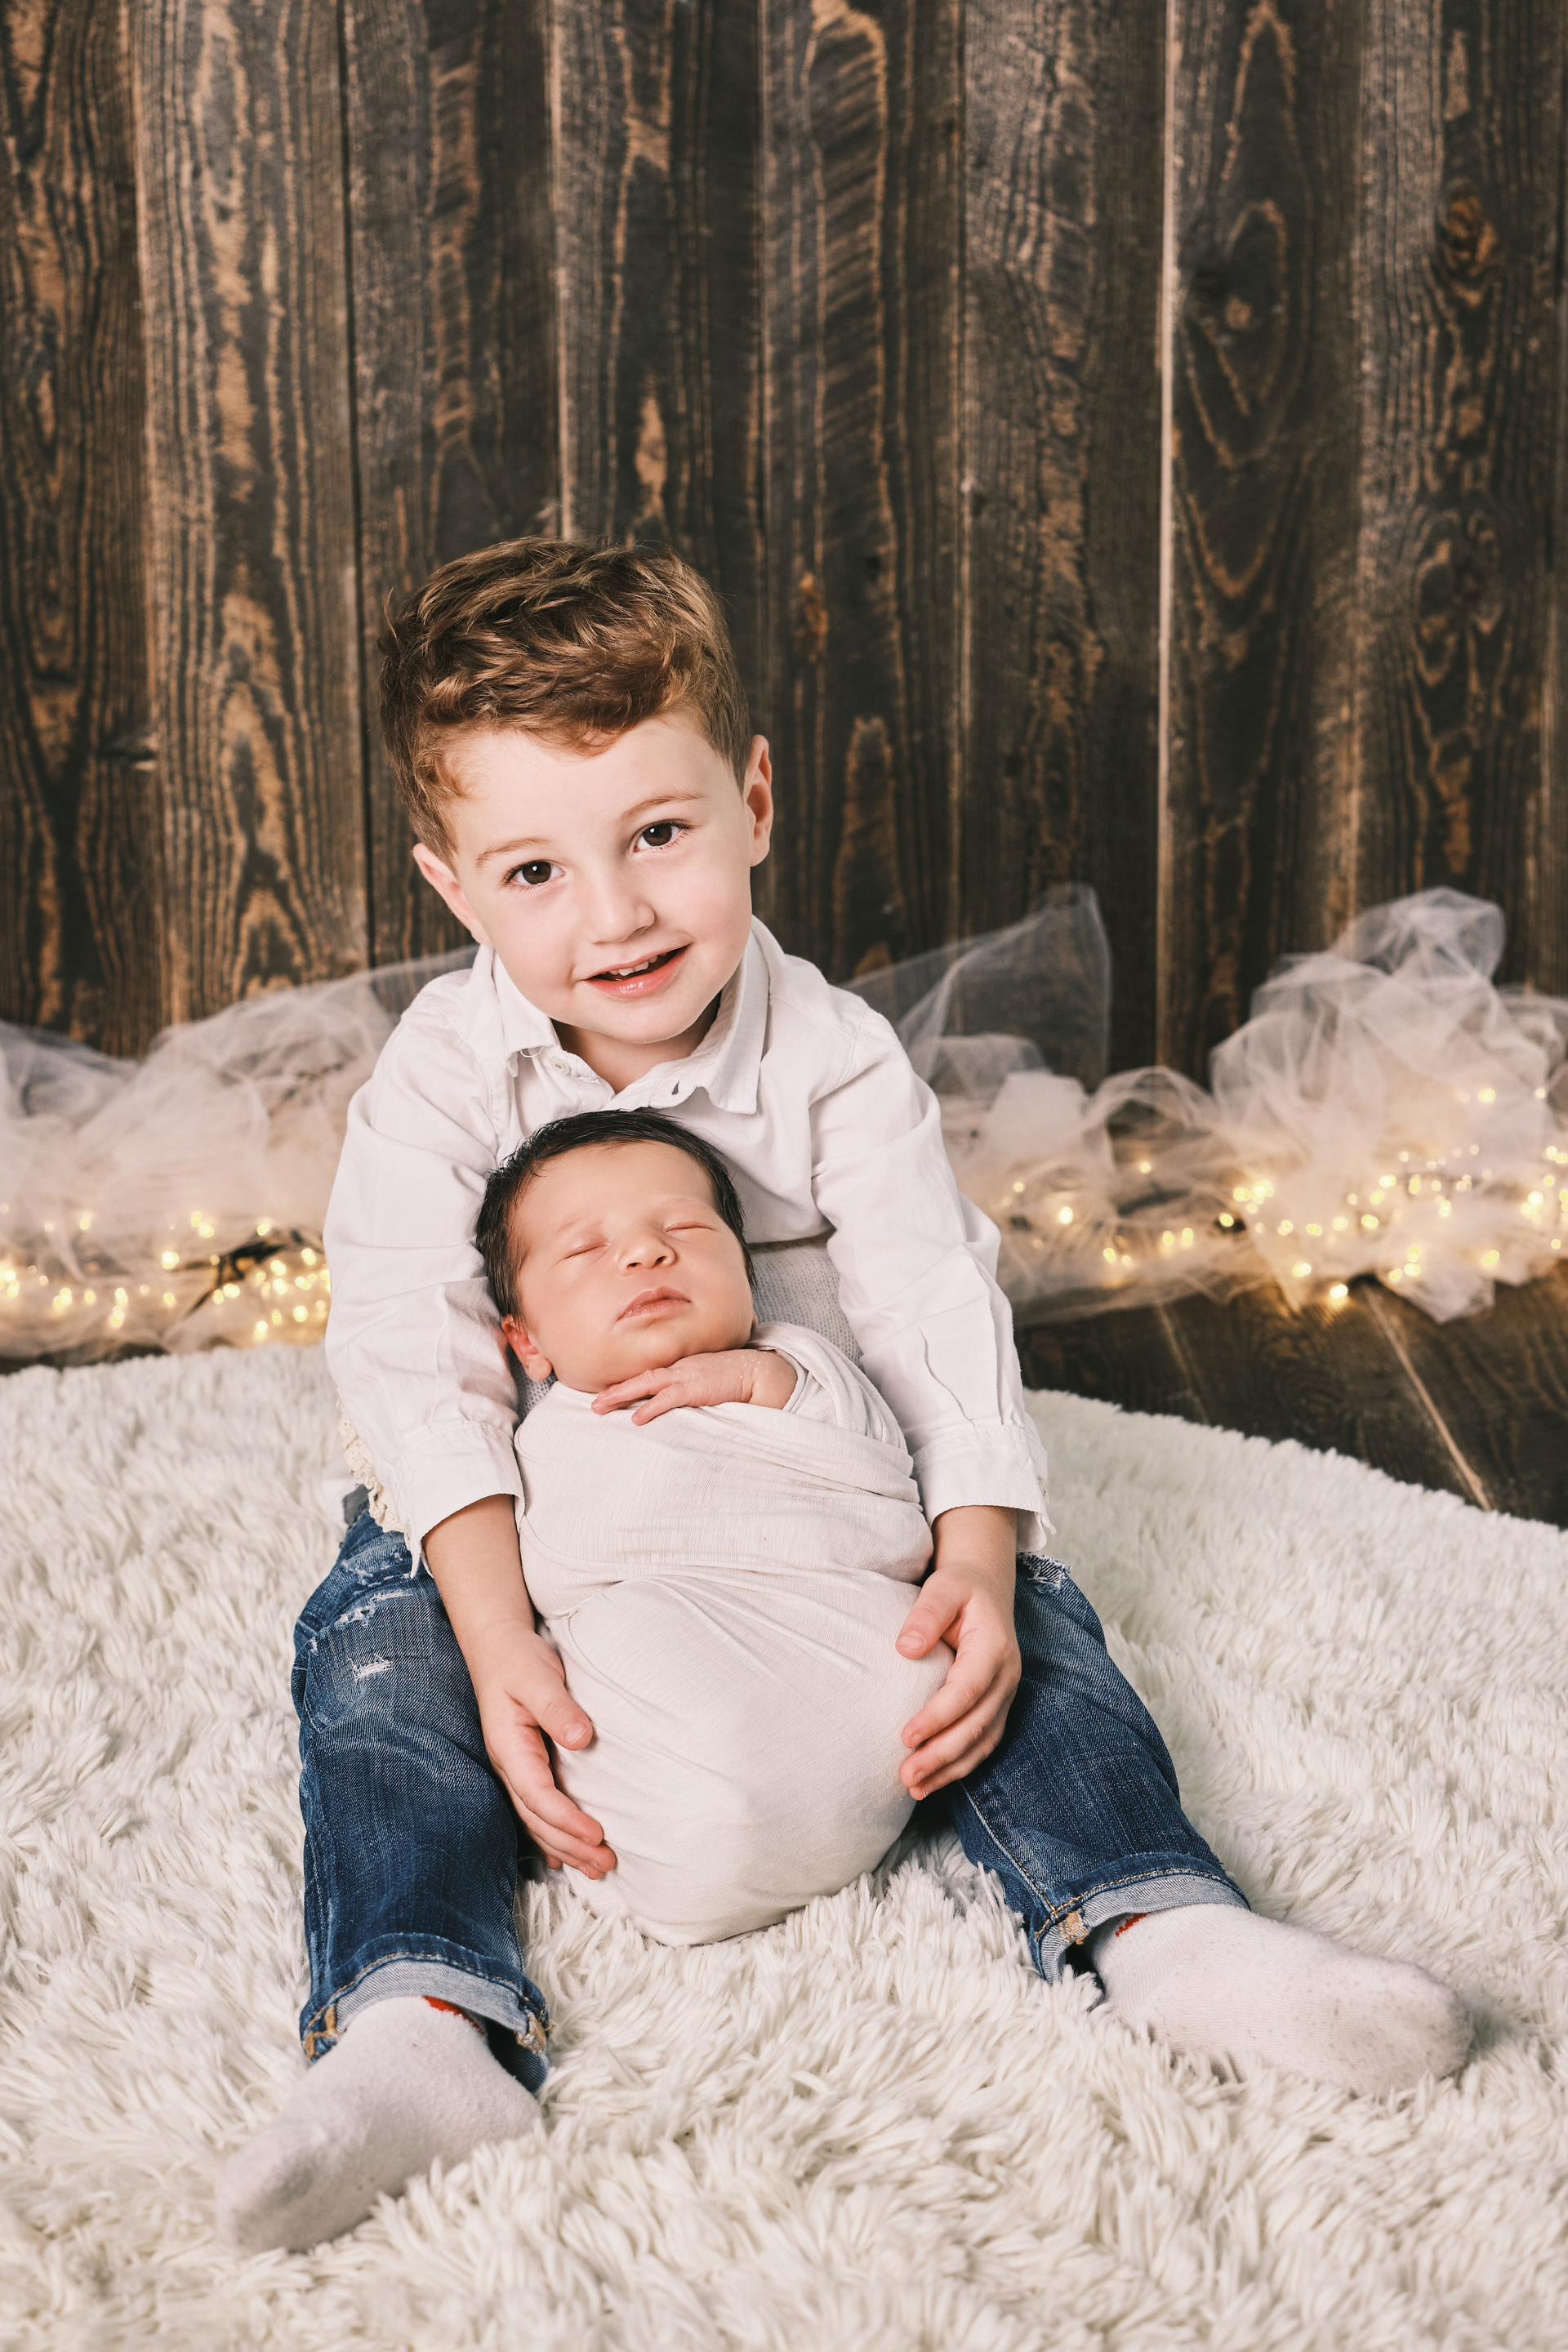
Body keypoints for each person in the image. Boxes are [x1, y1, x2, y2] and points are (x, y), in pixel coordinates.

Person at [217, 539, 1469, 2255]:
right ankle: (419, 2018)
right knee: (378, 1656)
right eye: (537, 871)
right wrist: (501, 1639)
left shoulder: (831, 1059)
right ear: (455, 890)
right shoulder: (439, 1080)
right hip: (549, 1504)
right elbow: (410, 1358)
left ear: (752, 802)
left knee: (1026, 1643)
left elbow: (930, 1303)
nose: (616, 914)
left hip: (814, 1490)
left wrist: (974, 1557)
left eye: (660, 835)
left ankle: (1155, 1917)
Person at [474, 1106, 951, 1946]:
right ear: (528, 1344)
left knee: (986, 1632)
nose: (645, 1253)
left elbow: (884, 1512)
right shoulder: (541, 1442)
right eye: (585, 1249)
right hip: (670, 1772)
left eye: (686, 1229)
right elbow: (550, 1574)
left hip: (872, 1703)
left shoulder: (803, 1371)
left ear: (746, 1279)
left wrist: (759, 1382)